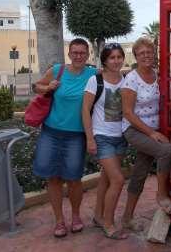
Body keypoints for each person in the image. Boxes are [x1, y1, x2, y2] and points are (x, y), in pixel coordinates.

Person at [33, 38, 97, 238]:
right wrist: (48, 87)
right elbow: (37, 86)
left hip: (77, 135)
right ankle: (59, 220)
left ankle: (76, 216)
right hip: (51, 132)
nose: (78, 56)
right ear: (69, 54)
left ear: (88, 55)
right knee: (53, 178)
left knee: (74, 179)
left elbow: (115, 78)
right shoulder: (57, 70)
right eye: (75, 52)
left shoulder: (93, 74)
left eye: (82, 53)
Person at [121, 37, 171, 231]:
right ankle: (161, 194)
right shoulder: (131, 79)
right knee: (166, 151)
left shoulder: (157, 75)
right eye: (142, 53)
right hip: (135, 129)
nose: (146, 56)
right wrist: (152, 133)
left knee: (139, 173)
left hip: (155, 129)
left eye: (149, 52)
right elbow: (127, 112)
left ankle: (127, 218)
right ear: (135, 56)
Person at [82, 43, 128, 240]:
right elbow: (85, 110)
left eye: (119, 57)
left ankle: (98, 216)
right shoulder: (95, 80)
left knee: (106, 179)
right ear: (105, 61)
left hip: (121, 137)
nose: (116, 61)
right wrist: (90, 138)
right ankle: (109, 223)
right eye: (112, 57)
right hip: (102, 136)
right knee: (118, 180)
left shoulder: (125, 79)